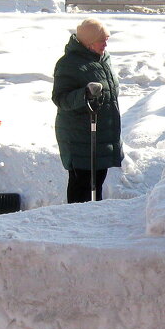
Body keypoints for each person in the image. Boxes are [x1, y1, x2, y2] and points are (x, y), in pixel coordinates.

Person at [51, 18, 122, 203]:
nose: (105, 43)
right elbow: (60, 98)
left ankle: (92, 222)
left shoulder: (103, 59)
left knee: (97, 182)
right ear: (89, 42)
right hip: (80, 136)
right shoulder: (69, 64)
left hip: (102, 134)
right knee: (82, 185)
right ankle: (75, 224)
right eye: (101, 40)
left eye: (106, 39)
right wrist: (85, 94)